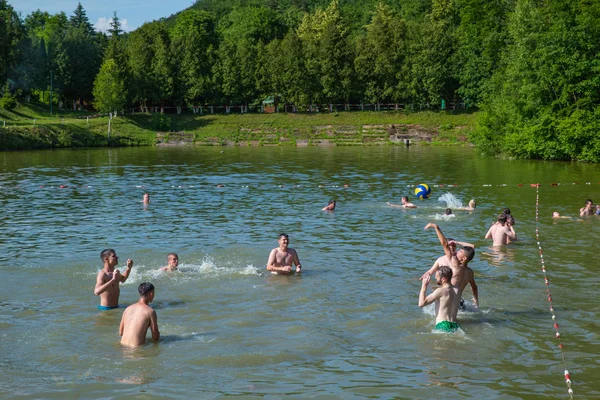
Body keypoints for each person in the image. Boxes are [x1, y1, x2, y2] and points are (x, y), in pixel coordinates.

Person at [421, 227, 479, 309]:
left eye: (460, 251)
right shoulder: (470, 272)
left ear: (464, 258)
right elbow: (474, 287)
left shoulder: (454, 263)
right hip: (458, 300)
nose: (457, 251)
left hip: (448, 298)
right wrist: (476, 300)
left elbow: (471, 247)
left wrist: (435, 227)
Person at [418, 266, 461, 333]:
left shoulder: (440, 291)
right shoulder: (458, 290)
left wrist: (424, 286)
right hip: (455, 325)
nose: (435, 278)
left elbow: (421, 304)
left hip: (443, 325)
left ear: (443, 279)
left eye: (437, 276)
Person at [119, 282, 160, 347]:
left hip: (122, 347)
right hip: (136, 350)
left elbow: (121, 333)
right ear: (151, 294)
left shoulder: (127, 309)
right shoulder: (150, 312)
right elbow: (155, 337)